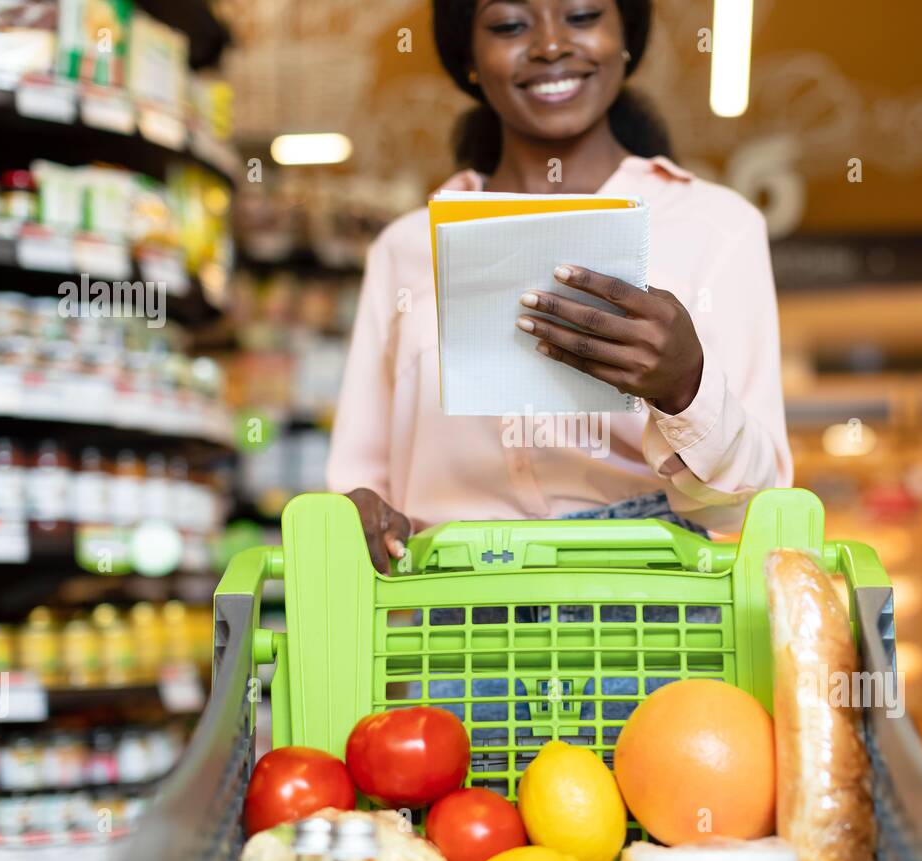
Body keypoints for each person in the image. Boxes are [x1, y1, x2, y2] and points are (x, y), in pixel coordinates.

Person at [327, 0, 792, 572]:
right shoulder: (404, 248)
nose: (551, 44)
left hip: (647, 611)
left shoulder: (718, 227)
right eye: (509, 25)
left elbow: (750, 505)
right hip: (447, 612)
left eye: (582, 15)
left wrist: (685, 390)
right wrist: (362, 517)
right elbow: (355, 488)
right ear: (468, 57)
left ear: (627, 38)